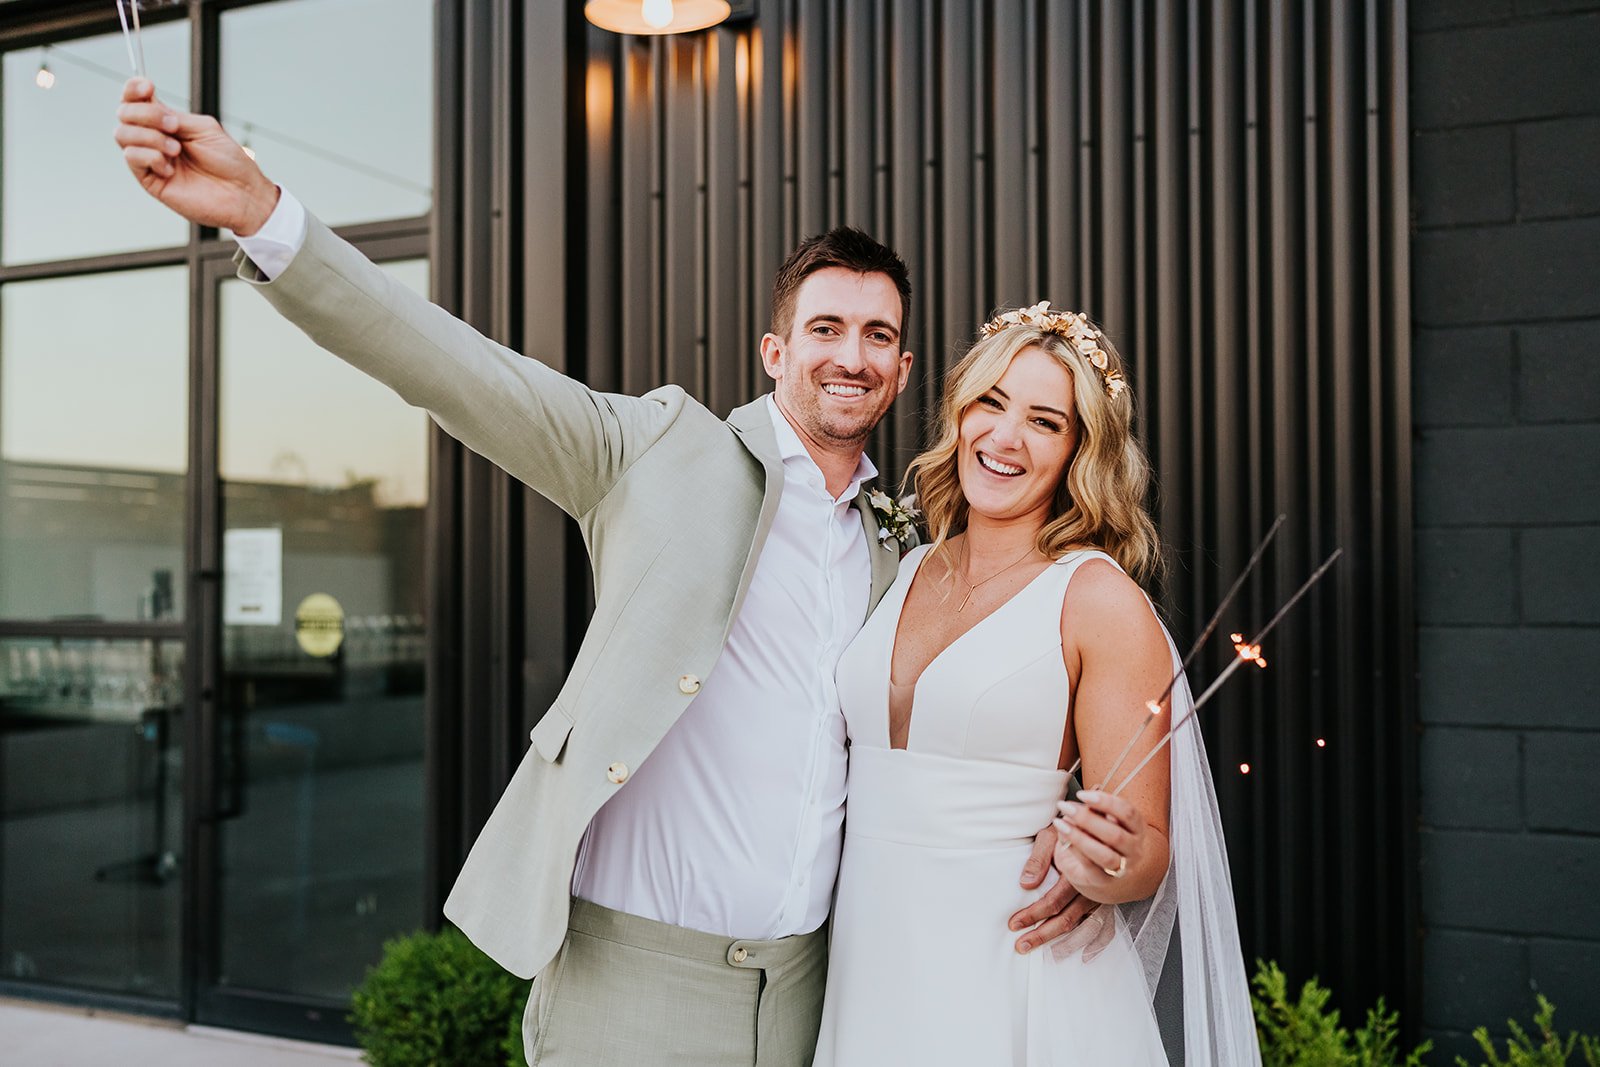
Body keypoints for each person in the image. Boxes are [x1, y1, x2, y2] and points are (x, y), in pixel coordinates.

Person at [112, 79, 1093, 1065]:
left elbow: (970, 709)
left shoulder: (908, 544)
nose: (852, 355)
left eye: (877, 335)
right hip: (631, 984)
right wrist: (262, 215)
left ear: (905, 367)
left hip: (814, 992)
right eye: (826, 328)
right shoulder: (656, 449)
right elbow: (455, 367)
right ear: (773, 350)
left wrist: (1059, 830)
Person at [814, 303, 1259, 1065]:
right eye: (991, 402)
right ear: (960, 412)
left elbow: (1147, 845)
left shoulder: (1095, 599)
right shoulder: (904, 565)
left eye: (1044, 421)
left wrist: (1104, 861)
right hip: (868, 960)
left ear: (1079, 451)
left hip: (1014, 967)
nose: (1005, 436)